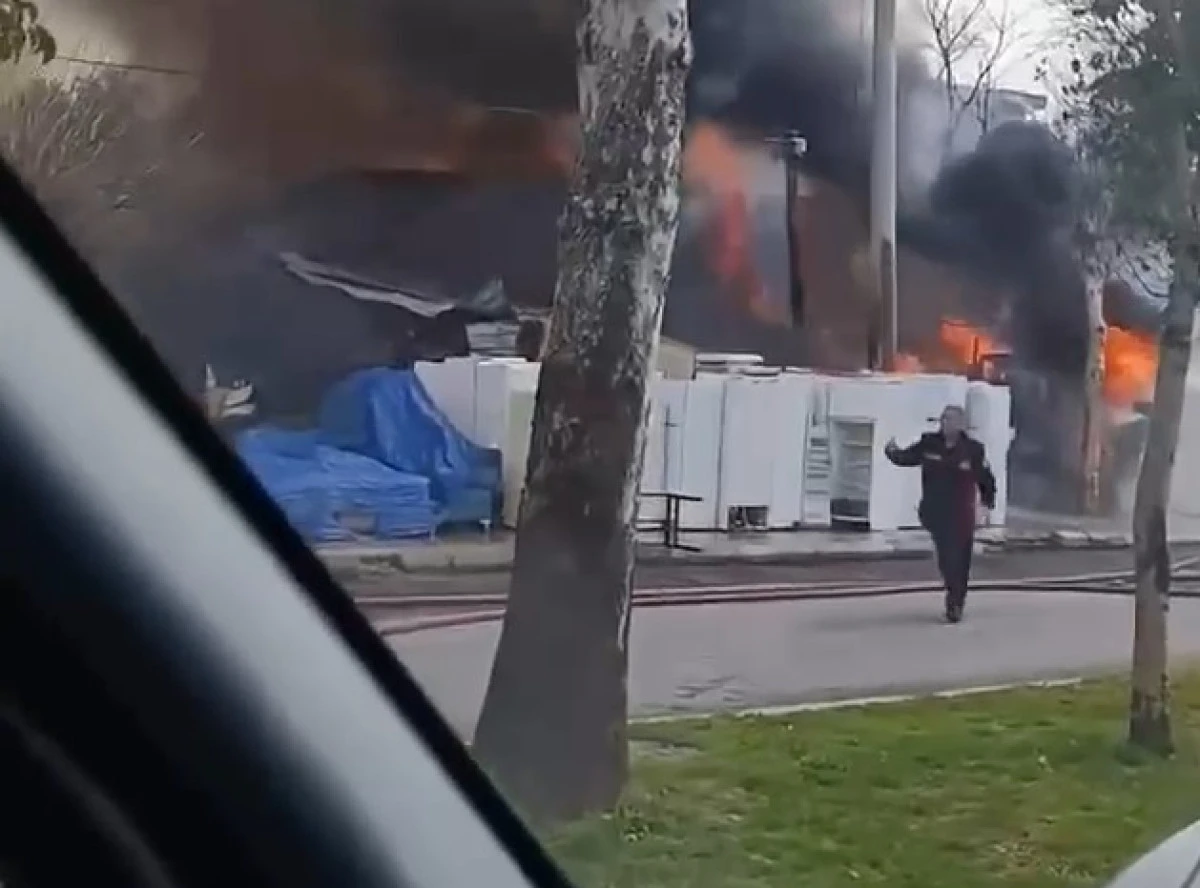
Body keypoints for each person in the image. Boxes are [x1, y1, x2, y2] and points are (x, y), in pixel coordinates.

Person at [884, 405, 996, 624]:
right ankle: (952, 594)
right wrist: (892, 452)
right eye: (944, 419)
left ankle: (956, 603)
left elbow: (986, 479)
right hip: (936, 512)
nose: (947, 424)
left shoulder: (973, 450)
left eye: (952, 420)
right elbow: (908, 457)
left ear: (961, 424)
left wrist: (987, 503)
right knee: (947, 559)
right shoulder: (929, 443)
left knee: (961, 561)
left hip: (961, 513)